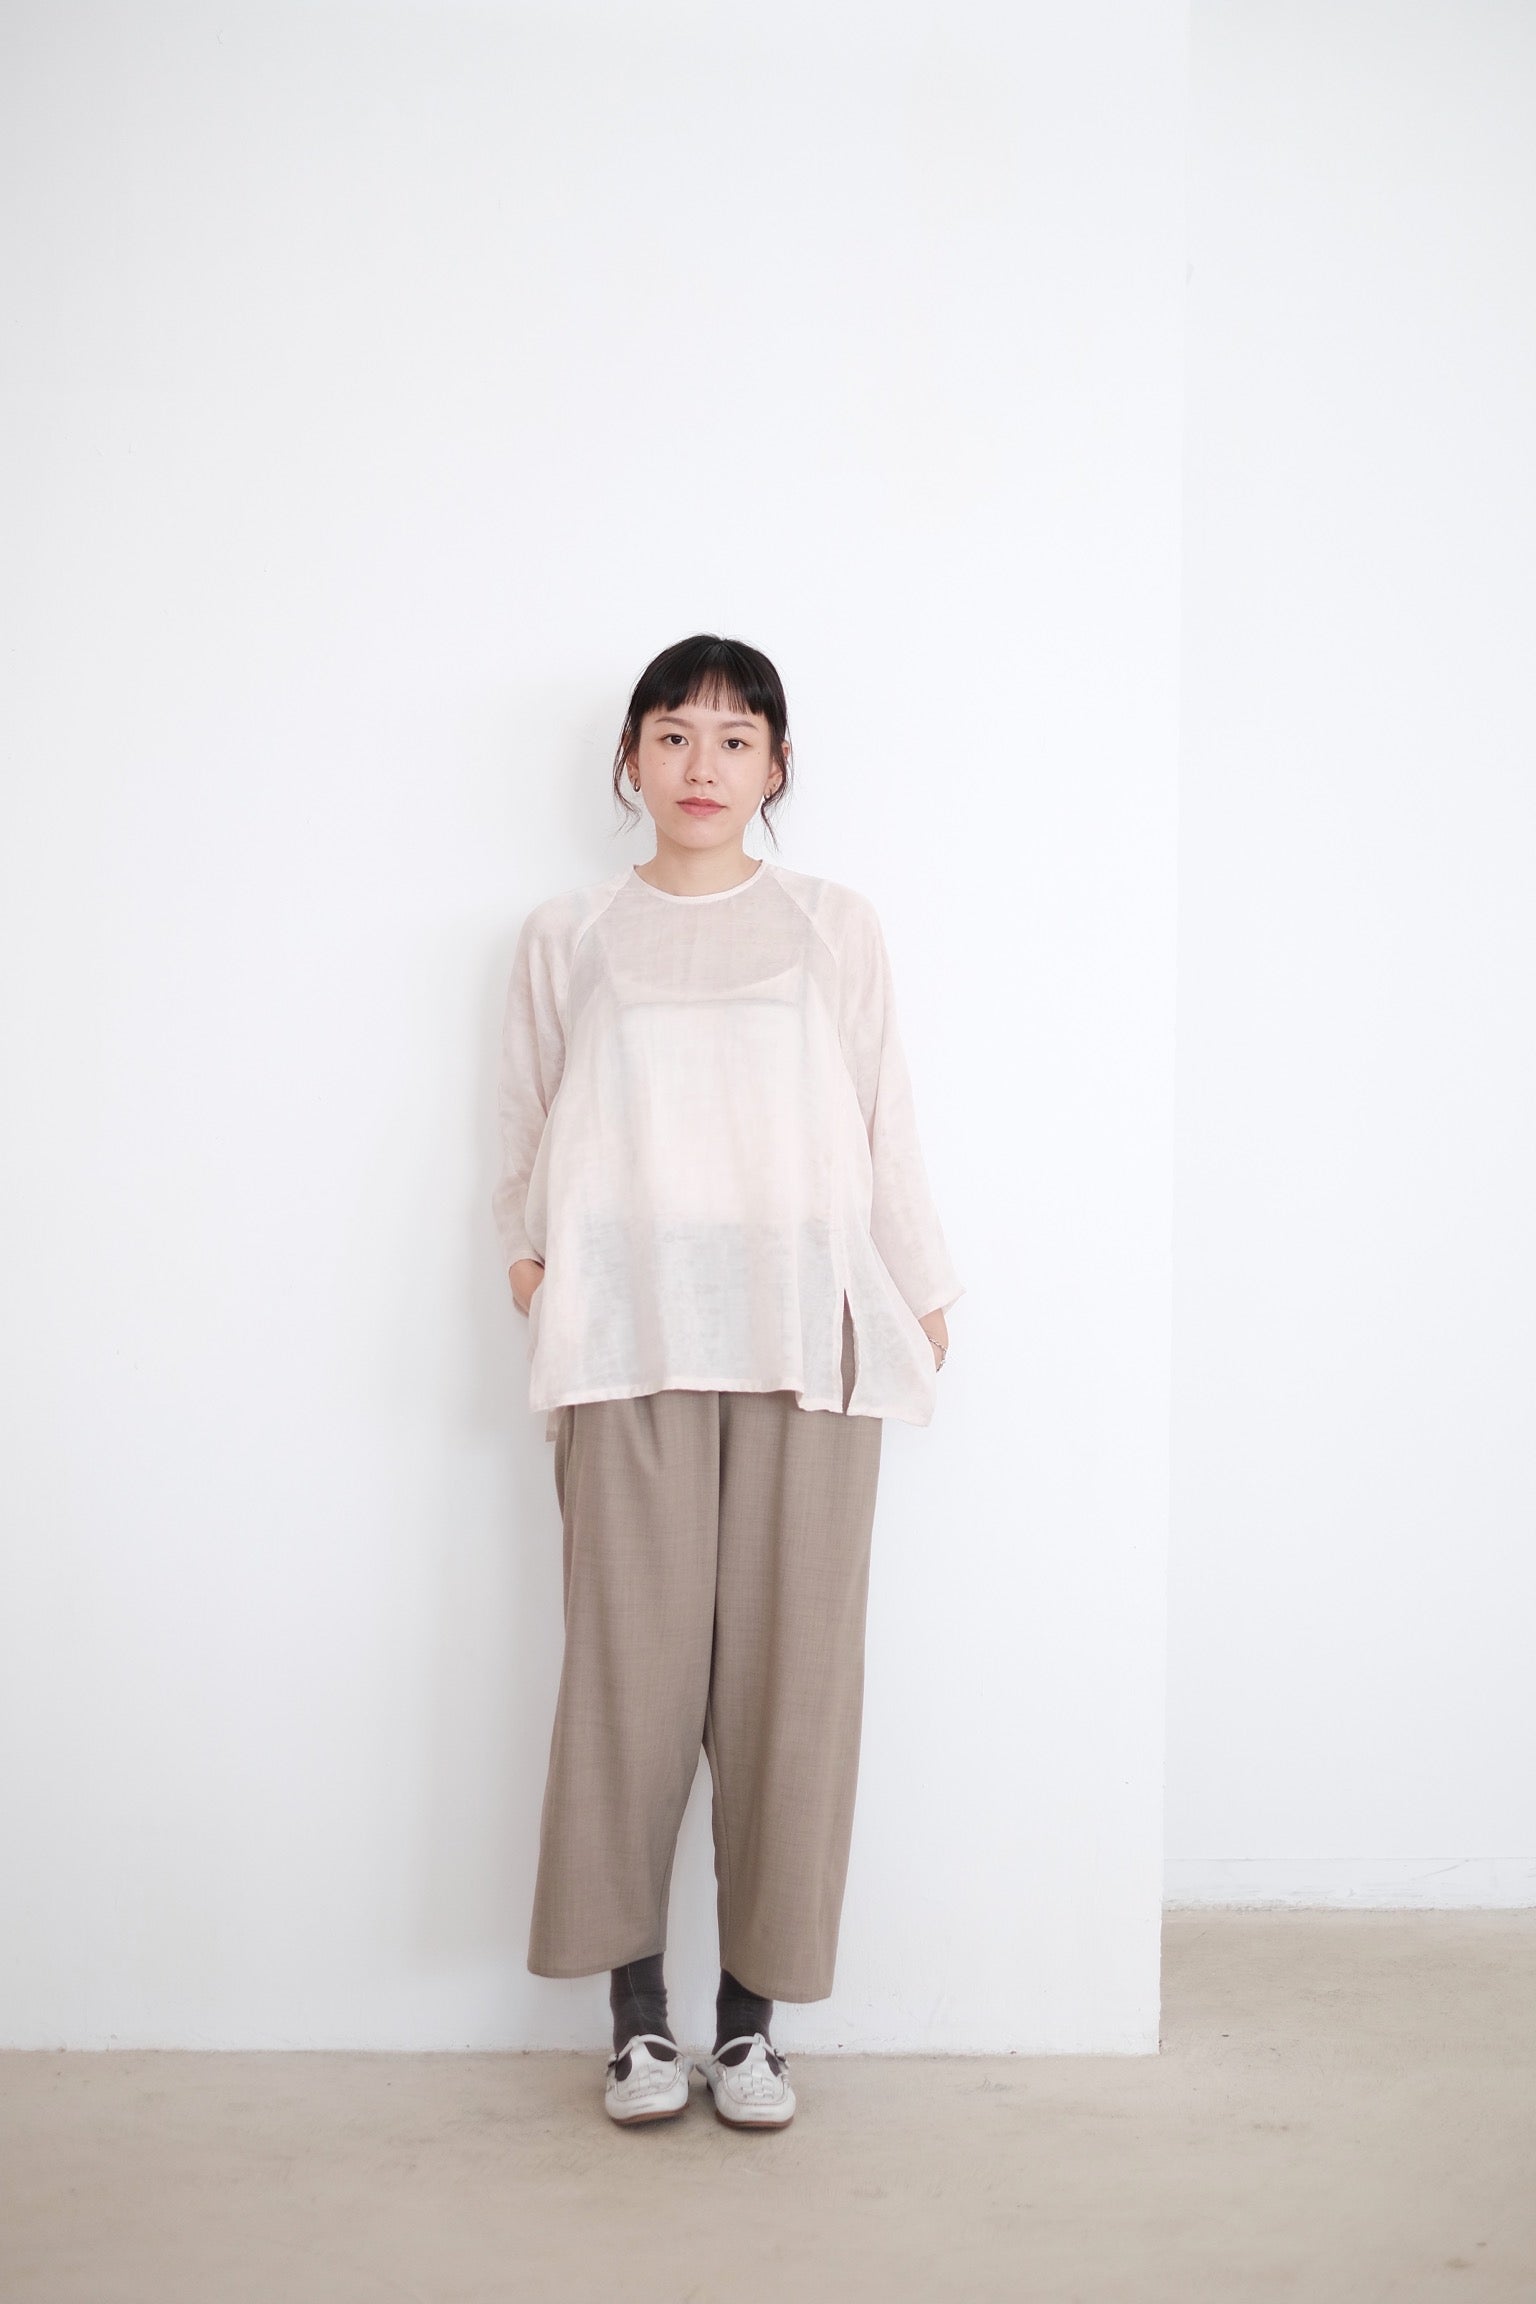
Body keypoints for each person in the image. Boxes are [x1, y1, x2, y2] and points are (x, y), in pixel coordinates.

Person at [491, 634, 963, 2129]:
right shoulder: (568, 932)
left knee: (790, 1691)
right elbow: (521, 1126)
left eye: (737, 738)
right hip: (624, 1331)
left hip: (803, 1335)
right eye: (675, 735)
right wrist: (530, 1270)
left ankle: (750, 2029)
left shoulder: (834, 925)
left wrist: (920, 1287)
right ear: (629, 758)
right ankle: (638, 2026)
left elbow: (883, 1112)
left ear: (777, 765)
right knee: (627, 1686)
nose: (704, 766)